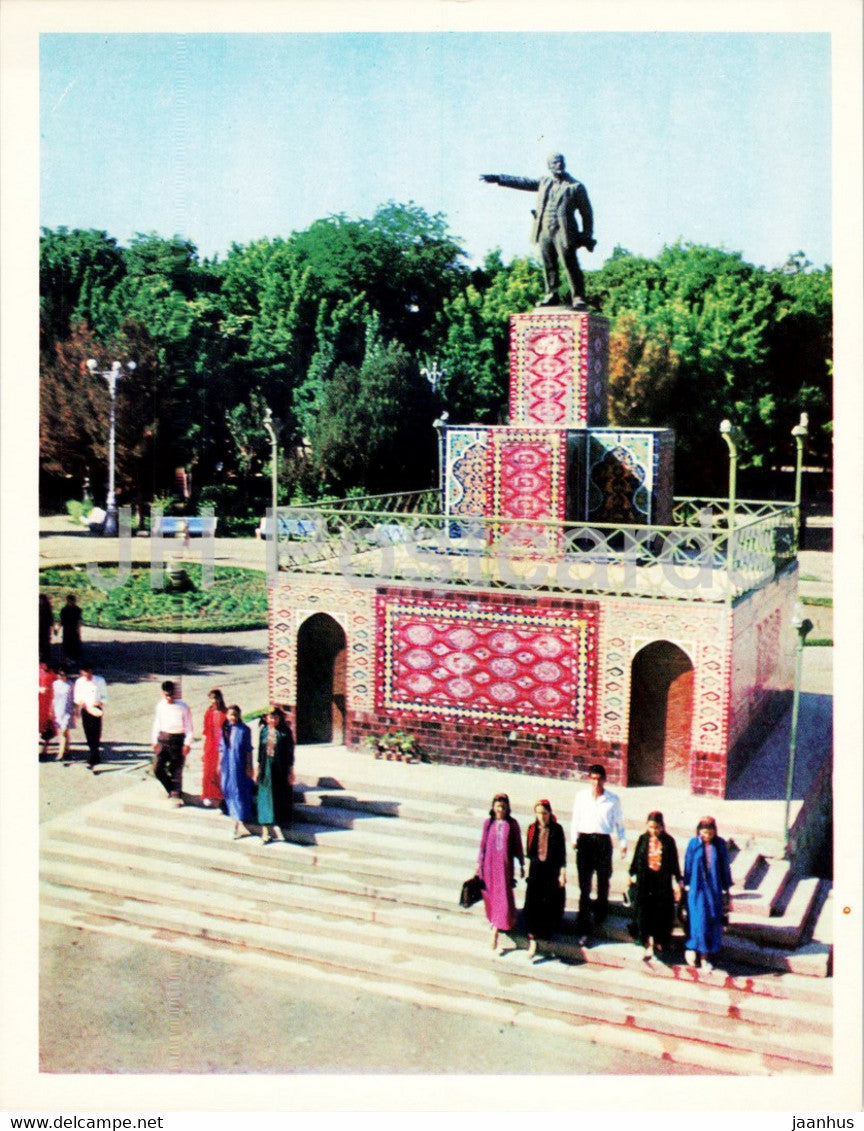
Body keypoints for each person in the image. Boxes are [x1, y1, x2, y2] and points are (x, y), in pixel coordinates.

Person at [480, 152, 595, 309]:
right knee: (548, 264)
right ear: (549, 166)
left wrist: (587, 234)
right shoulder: (543, 182)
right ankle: (552, 294)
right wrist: (499, 178)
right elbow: (522, 182)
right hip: (544, 230)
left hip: (565, 232)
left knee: (570, 263)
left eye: (561, 162)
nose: (559, 165)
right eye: (555, 162)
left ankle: (578, 297)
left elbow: (586, 213)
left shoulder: (575, 186)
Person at [570, 763, 627, 945]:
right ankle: (583, 926)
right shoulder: (581, 797)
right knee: (584, 886)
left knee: (603, 881)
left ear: (604, 780)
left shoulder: (612, 799)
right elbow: (575, 819)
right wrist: (574, 838)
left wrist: (623, 843)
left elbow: (619, 824)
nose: (596, 782)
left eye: (599, 779)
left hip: (603, 843)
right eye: (592, 779)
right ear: (589, 779)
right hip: (585, 842)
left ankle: (601, 914)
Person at [628, 811, 682, 961]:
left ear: (662, 827)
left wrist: (678, 880)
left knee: (661, 914)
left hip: (661, 882)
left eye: (657, 828)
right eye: (651, 827)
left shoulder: (669, 841)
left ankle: (659, 942)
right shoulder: (643, 839)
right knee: (644, 912)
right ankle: (646, 943)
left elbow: (674, 863)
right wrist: (632, 875)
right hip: (645, 882)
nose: (654, 831)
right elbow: (636, 860)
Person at [682, 816, 733, 973]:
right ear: (699, 831)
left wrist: (726, 888)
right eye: (704, 832)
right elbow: (688, 865)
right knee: (699, 922)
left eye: (710, 833)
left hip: (714, 889)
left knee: (711, 921)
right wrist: (686, 885)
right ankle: (693, 950)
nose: (707, 836)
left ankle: (704, 957)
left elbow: (725, 866)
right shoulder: (693, 844)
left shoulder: (719, 845)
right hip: (697, 890)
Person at [476, 793, 525, 953]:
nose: (501, 809)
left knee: (502, 895)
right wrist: (478, 866)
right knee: (491, 895)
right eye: (498, 806)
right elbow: (483, 844)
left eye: (504, 807)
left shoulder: (512, 824)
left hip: (504, 868)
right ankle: (497, 920)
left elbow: (517, 844)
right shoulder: (488, 823)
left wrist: (522, 864)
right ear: (493, 807)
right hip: (489, 867)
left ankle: (496, 931)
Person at [523, 799, 567, 959]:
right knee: (534, 906)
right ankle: (533, 941)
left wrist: (562, 873)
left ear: (550, 814)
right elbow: (529, 852)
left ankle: (546, 936)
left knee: (548, 905)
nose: (541, 816)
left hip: (551, 872)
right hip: (536, 873)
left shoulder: (557, 829)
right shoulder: (532, 829)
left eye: (545, 813)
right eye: (539, 813)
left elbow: (562, 854)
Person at [255, 707, 295, 844]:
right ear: (266, 718)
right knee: (265, 796)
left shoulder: (285, 733)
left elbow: (290, 753)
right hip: (266, 768)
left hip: (280, 769)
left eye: (276, 717)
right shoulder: (264, 731)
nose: (273, 720)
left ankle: (283, 821)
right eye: (270, 717)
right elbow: (260, 751)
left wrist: (290, 771)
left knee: (281, 793)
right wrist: (259, 767)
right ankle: (266, 830)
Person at [151, 680, 194, 806]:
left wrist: (187, 743)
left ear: (175, 693)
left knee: (176, 769)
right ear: (163, 694)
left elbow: (189, 727)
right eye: (166, 695)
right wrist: (154, 741)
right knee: (157, 768)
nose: (169, 698)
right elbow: (157, 723)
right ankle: (171, 789)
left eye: (171, 695)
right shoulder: (160, 706)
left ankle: (176, 794)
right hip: (163, 739)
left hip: (178, 740)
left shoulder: (183, 707)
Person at [220, 704, 254, 838]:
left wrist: (249, 766)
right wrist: (219, 764)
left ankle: (238, 823)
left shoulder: (244, 730)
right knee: (227, 788)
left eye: (234, 714)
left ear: (239, 715)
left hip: (239, 764)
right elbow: (221, 748)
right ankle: (234, 816)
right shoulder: (225, 729)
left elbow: (248, 750)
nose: (232, 717)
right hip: (227, 764)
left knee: (239, 791)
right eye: (230, 715)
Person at [73, 662, 107, 770]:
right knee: (88, 732)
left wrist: (101, 702)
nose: (87, 673)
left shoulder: (99, 680)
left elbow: (104, 695)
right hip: (86, 709)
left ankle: (94, 755)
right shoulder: (79, 682)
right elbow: (77, 696)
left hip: (96, 708)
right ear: (81, 672)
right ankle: (93, 751)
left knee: (96, 731)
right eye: (85, 671)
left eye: (89, 671)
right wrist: (80, 703)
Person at [200, 688, 227, 808]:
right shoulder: (208, 712)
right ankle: (208, 794)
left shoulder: (225, 713)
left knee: (219, 770)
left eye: (216, 698)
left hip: (221, 745)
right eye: (211, 699)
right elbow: (205, 731)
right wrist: (203, 748)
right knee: (208, 770)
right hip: (210, 744)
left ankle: (220, 796)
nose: (214, 701)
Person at [51, 666, 76, 763]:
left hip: (67, 711)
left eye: (64, 675)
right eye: (60, 675)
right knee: (64, 732)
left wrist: (75, 710)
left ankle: (60, 754)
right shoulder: (55, 684)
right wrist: (51, 710)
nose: (62, 677)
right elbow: (53, 698)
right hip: (58, 710)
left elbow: (74, 698)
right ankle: (67, 750)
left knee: (64, 731)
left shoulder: (70, 684)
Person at [58, 593, 83, 669]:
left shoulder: (77, 610)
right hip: (67, 629)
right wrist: (58, 628)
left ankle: (74, 659)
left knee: (74, 644)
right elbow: (62, 621)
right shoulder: (64, 610)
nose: (71, 602)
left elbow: (79, 621)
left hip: (73, 629)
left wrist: (79, 630)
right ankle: (68, 659)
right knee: (67, 644)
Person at [39, 661, 55, 759]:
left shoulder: (52, 674)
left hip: (48, 703)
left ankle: (44, 750)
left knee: (48, 727)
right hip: (39, 703)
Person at [39, 594, 54, 665]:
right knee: (44, 641)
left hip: (44, 627)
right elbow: (51, 619)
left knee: (44, 641)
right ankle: (43, 656)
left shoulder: (47, 608)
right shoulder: (48, 607)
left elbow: (51, 618)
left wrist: (52, 626)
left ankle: (44, 657)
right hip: (44, 627)